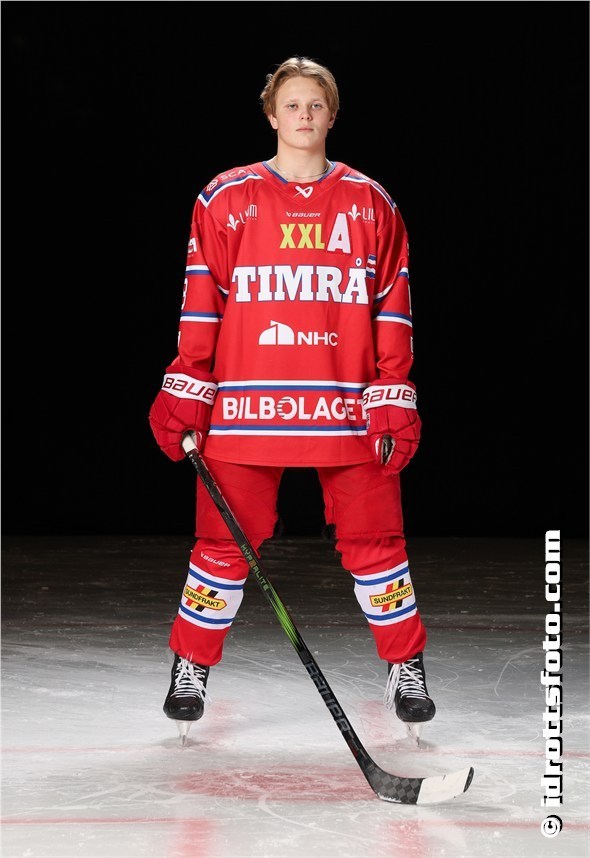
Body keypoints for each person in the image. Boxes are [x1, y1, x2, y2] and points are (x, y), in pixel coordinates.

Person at [148, 56, 434, 743]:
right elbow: (202, 301)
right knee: (222, 542)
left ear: (332, 115)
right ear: (271, 114)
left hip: (346, 404)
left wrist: (393, 390)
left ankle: (406, 666)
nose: (304, 116)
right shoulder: (225, 198)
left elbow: (391, 304)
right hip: (248, 403)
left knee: (378, 543)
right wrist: (189, 382)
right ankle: (191, 665)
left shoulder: (370, 202)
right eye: (292, 105)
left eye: (316, 105)